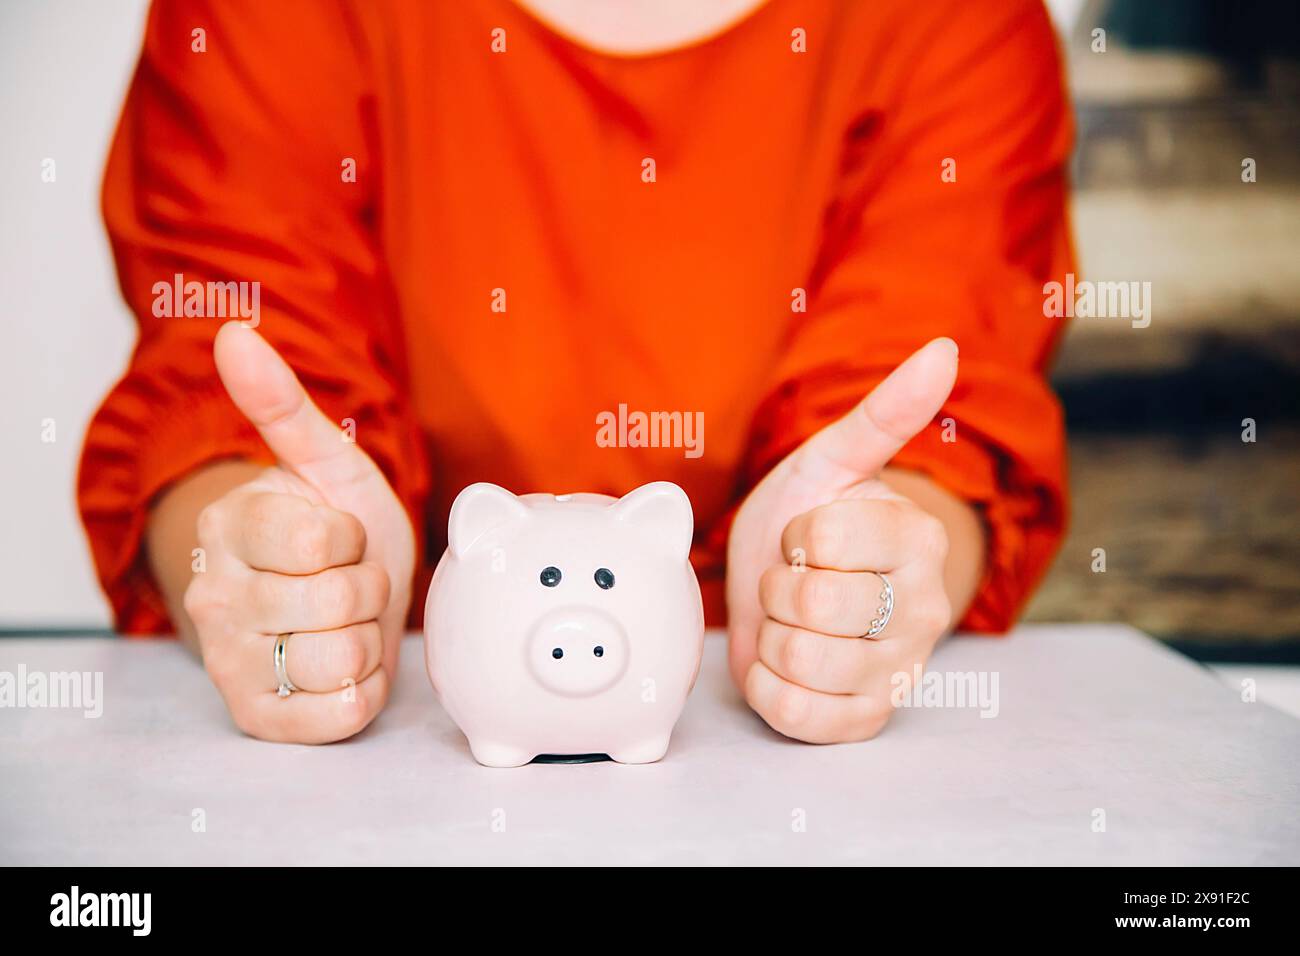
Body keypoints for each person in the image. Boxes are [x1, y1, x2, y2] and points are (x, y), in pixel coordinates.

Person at [79, 0, 1074, 745]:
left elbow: (944, 401)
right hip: (411, 714)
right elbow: (224, 364)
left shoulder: (958, 20)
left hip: (743, 722)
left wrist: (863, 561)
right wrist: (285, 555)